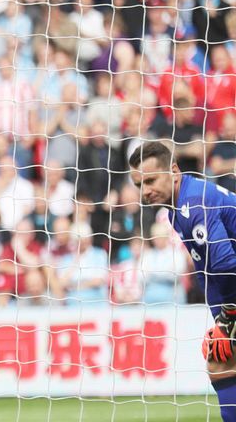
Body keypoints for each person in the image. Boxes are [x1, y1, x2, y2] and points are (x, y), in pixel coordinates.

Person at [129, 141, 236, 422]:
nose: (145, 190)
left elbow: (225, 264)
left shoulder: (193, 203)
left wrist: (228, 316)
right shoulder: (177, 207)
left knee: (220, 362)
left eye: (150, 180)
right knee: (221, 361)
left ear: (174, 170)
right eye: (139, 184)